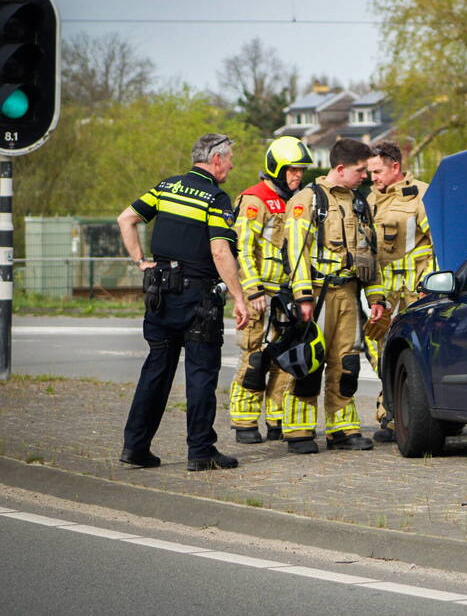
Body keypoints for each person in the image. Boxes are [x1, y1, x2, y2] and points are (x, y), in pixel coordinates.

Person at [117, 133, 250, 471]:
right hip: (197, 299)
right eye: (230, 159)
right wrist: (239, 297)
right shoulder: (215, 197)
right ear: (216, 160)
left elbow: (126, 219)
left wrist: (140, 261)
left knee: (155, 371)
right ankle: (200, 452)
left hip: (160, 294)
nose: (232, 165)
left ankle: (135, 447)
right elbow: (220, 251)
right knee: (201, 374)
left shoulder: (165, 187)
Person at [281, 137, 383, 454]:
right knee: (309, 365)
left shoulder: (359, 203)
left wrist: (376, 298)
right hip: (317, 294)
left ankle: (342, 430)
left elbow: (369, 254)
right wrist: (302, 298)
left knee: (347, 363)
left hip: (350, 296)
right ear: (341, 168)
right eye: (360, 170)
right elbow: (296, 251)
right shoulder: (308, 200)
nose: (365, 176)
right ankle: (299, 432)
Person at [228, 136, 313, 444]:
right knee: (255, 358)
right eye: (292, 170)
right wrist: (253, 291)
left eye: (300, 171)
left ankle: (276, 420)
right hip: (259, 295)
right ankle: (244, 422)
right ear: (275, 168)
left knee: (284, 360)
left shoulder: (293, 201)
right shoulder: (254, 200)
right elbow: (242, 250)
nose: (298, 176)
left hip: (285, 295)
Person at [362, 141, 434, 443]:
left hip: (413, 291)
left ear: (395, 166)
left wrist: (429, 285)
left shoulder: (421, 194)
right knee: (378, 349)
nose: (373, 178)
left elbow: (436, 240)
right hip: (382, 291)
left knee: (412, 353)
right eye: (369, 173)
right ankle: (390, 409)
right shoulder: (369, 199)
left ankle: (398, 416)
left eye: (377, 171)